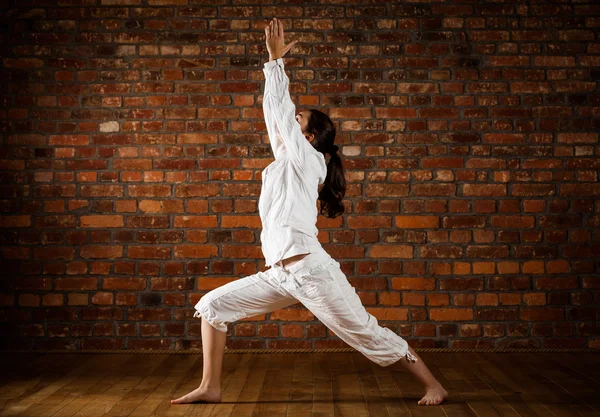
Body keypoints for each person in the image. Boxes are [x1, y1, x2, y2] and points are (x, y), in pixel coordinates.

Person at [171, 17, 448, 406]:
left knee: (366, 333)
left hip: (312, 273)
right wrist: (271, 67)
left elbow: (281, 111)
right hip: (281, 274)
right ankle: (210, 387)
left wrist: (275, 63)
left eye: (299, 120)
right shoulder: (287, 160)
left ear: (310, 137)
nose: (291, 119)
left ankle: (433, 384)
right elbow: (275, 117)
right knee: (213, 306)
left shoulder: (310, 161)